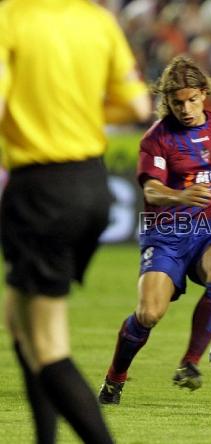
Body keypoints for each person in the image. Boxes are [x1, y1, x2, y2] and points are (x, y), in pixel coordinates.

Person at [0, 0, 150, 442]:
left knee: (47, 346)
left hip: (41, 188)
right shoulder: (98, 21)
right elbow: (137, 104)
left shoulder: (10, 17)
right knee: (18, 317)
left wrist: (37, 113)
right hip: (91, 184)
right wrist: (78, 113)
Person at [98, 56, 211, 404]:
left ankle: (189, 363)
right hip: (165, 234)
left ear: (204, 94)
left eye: (192, 100)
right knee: (149, 314)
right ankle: (116, 377)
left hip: (206, 230)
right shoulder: (157, 139)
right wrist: (179, 194)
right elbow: (150, 190)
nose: (186, 109)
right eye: (177, 102)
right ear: (167, 101)